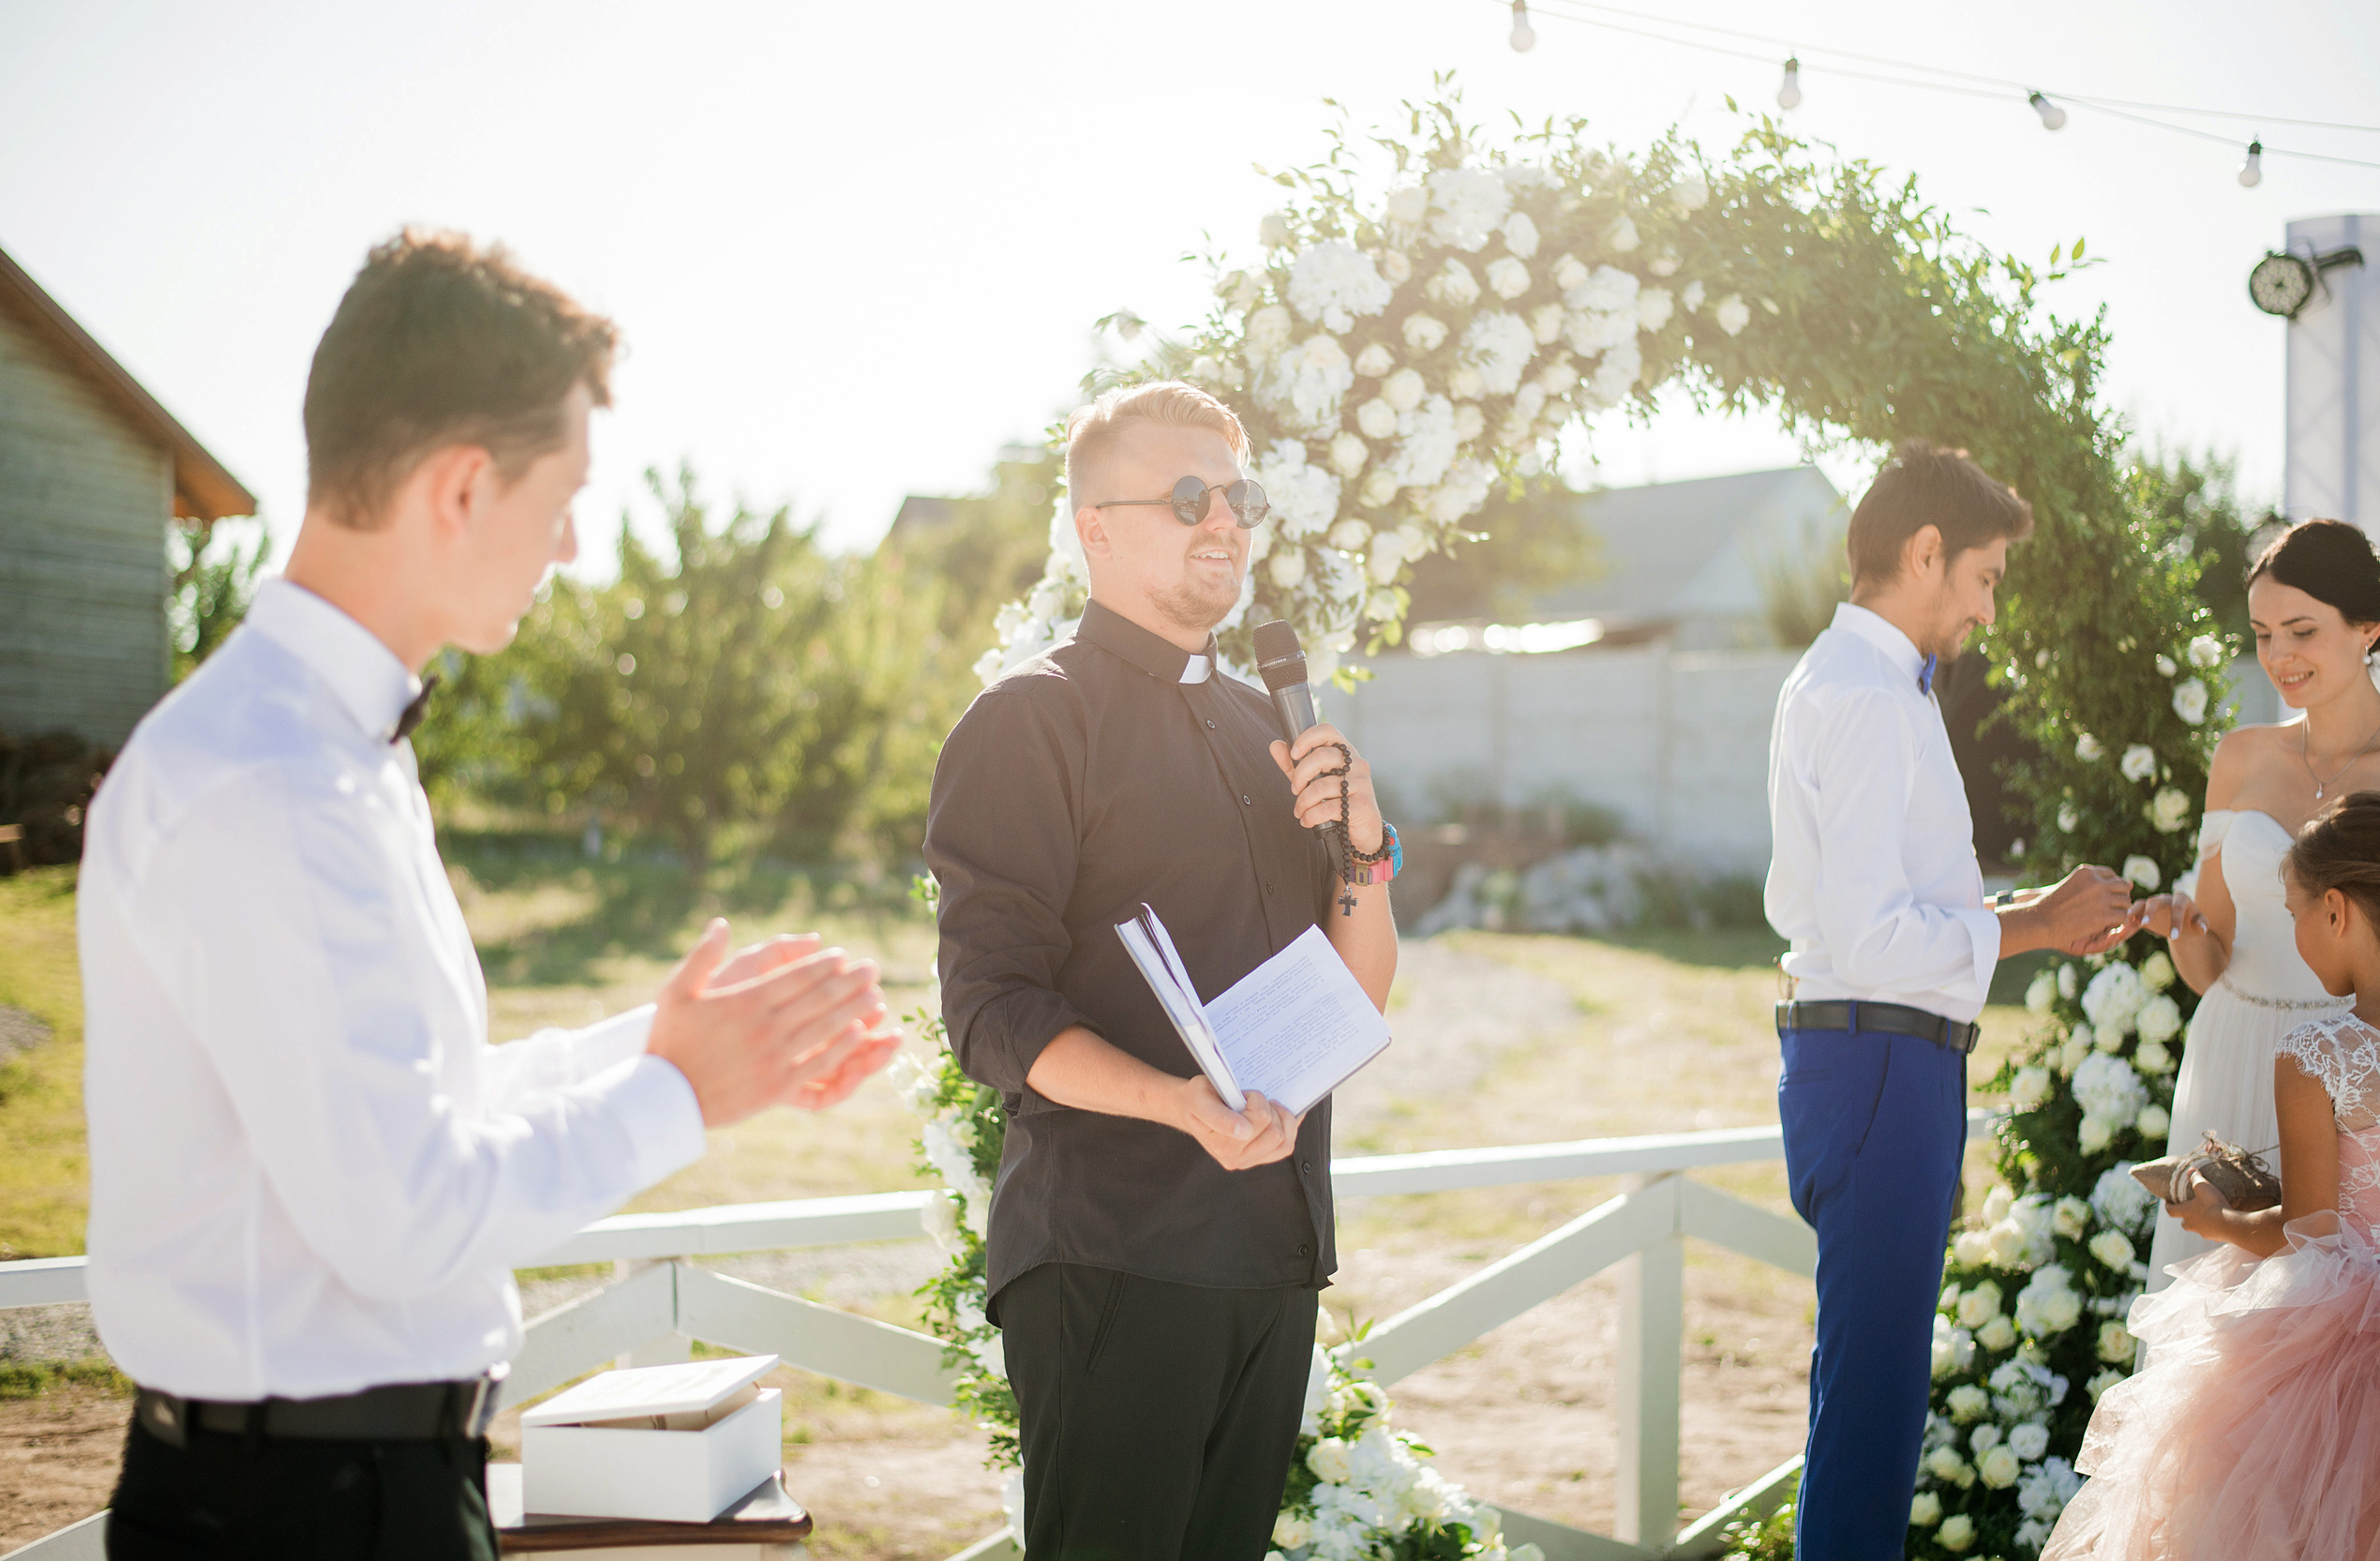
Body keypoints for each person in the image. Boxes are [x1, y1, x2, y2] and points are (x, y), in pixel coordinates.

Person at [80, 230, 897, 1560]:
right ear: (462, 486)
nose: (573, 543)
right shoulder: (274, 781)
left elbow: (417, 1106)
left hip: (334, 1493)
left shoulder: (323, 753)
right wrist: (685, 1093)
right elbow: (408, 1215)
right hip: (302, 1517)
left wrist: (665, 1044)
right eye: (563, 493)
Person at [924, 381, 1400, 1561]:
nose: (1223, 521)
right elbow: (989, 1011)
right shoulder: (1031, 721)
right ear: (1095, 526)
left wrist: (1368, 850)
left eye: (1236, 496)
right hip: (1114, 1256)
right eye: (1188, 496)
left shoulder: (1265, 727)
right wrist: (1175, 1100)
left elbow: (1353, 992)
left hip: (1274, 1251)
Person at [1764, 441, 2134, 1559]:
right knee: (1870, 1413)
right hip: (1881, 1061)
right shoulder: (1868, 698)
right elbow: (1876, 940)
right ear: (1923, 552)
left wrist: (2030, 904)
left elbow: (1894, 904)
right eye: (1982, 577)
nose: (1986, 609)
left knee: (1866, 1398)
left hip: (1875, 1060)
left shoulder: (1859, 681)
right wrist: (2034, 926)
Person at [2043, 790, 2380, 1560]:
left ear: (2336, 910)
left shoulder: (2321, 1054)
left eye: (2295, 911)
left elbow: (2311, 1239)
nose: (2296, 932)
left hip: (2351, 1360)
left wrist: (2213, 1218)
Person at [2126, 518, 2380, 1285]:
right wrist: (2179, 929)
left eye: (2303, 630)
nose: (2279, 656)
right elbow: (2212, 958)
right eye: (2263, 633)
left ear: (2367, 626)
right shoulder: (2241, 756)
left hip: (2355, 1079)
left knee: (2329, 1298)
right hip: (2234, 1051)